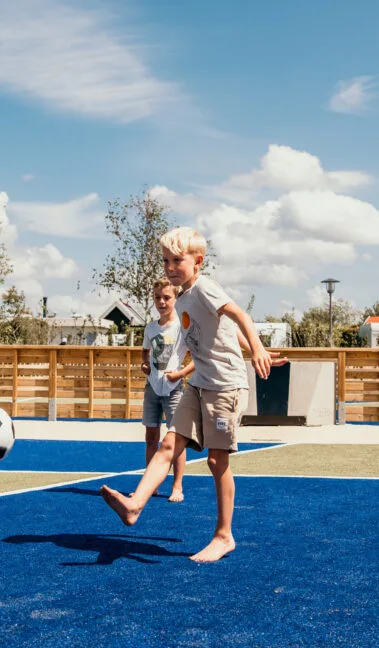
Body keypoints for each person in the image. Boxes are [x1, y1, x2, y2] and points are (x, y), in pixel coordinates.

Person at [101, 226, 280, 563]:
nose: (170, 267)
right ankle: (135, 505)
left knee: (216, 460)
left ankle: (224, 537)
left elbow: (240, 315)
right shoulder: (182, 297)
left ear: (198, 261)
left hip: (225, 386)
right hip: (198, 385)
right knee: (169, 443)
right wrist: (255, 348)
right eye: (166, 260)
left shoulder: (205, 288)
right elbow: (226, 329)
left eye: (177, 260)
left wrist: (258, 348)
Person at [140, 278, 195, 503]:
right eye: (157, 298)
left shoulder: (182, 326)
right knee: (151, 437)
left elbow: (198, 358)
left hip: (174, 389)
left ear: (175, 298)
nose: (161, 302)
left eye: (166, 298)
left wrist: (181, 374)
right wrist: (144, 365)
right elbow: (145, 352)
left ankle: (177, 485)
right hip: (152, 387)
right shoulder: (151, 328)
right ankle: (150, 485)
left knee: (176, 439)